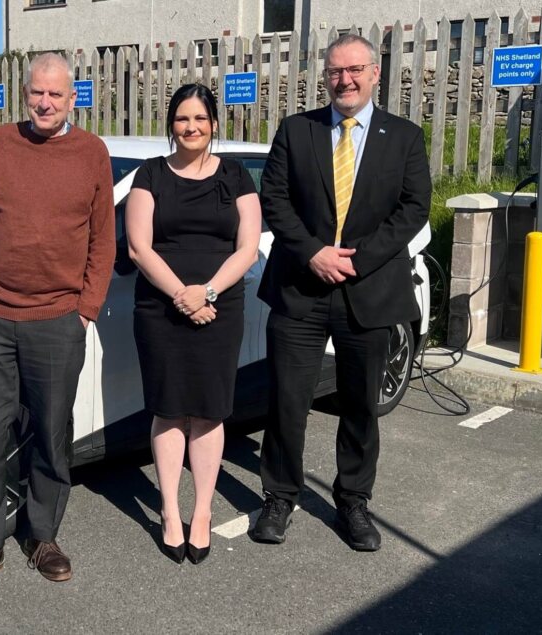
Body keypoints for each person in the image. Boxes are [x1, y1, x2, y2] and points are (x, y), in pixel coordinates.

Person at [250, 34, 430, 551]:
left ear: (376, 73)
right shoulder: (296, 130)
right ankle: (280, 496)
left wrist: (358, 259)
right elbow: (275, 199)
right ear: (323, 76)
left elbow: (414, 208)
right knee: (287, 400)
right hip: (301, 288)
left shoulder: (405, 138)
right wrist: (313, 253)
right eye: (334, 71)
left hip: (369, 290)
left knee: (359, 404)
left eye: (354, 70)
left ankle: (352, 500)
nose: (344, 80)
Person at [0, 52, 115, 595]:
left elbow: (102, 240)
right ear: (26, 94)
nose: (44, 102)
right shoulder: (0, 142)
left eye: (55, 94)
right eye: (36, 93)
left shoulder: (92, 153)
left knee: (49, 434)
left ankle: (42, 536)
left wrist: (85, 308)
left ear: (73, 97)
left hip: (56, 320)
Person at [126, 83, 262, 565]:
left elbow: (247, 247)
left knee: (207, 412)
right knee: (168, 409)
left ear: (214, 124)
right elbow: (139, 247)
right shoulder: (150, 175)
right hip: (161, 308)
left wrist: (205, 292)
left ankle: (201, 512)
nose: (191, 127)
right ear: (171, 124)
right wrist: (183, 296)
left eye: (200, 119)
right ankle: (168, 511)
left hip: (220, 306)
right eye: (183, 119)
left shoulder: (236, 175)